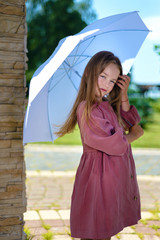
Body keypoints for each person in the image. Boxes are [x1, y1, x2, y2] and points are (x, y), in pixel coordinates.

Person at [56, 51, 144, 240]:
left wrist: (123, 95)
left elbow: (128, 121)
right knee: (96, 230)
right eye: (102, 76)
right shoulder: (87, 108)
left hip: (111, 178)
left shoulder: (105, 105)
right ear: (89, 72)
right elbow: (114, 143)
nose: (106, 84)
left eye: (112, 81)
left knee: (105, 229)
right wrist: (133, 136)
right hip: (99, 179)